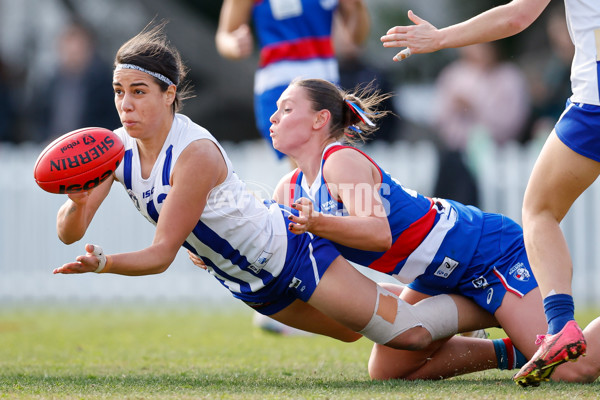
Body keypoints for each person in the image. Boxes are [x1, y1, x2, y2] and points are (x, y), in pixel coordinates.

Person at [52, 23, 492, 356]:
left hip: (289, 250)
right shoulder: (111, 149)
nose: (125, 103)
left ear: (169, 95)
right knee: (350, 329)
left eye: (138, 91)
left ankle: (493, 310)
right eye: (118, 91)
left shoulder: (194, 153)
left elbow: (162, 253)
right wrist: (76, 202)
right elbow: (70, 233)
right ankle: (455, 305)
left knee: (407, 334)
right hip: (247, 280)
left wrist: (104, 263)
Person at [265, 78, 600, 383]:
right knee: (387, 370)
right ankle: (514, 351)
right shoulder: (289, 189)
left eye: (286, 108)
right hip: (438, 278)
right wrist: (216, 253)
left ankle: (515, 321)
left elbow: (377, 233)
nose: (273, 117)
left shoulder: (340, 162)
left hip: (489, 255)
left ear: (320, 120)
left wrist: (316, 223)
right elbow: (276, 249)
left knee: (573, 371)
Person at [380, 0, 600, 387]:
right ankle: (545, 334)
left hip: (594, 104)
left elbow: (517, 15)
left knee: (539, 210)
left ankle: (561, 324)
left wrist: (440, 37)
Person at [215, 0, 370, 160]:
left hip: (324, 87)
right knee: (306, 161)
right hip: (277, 86)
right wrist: (235, 45)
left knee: (325, 163)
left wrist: (357, 7)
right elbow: (224, 35)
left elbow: (357, 37)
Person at [432, 41, 530, 206]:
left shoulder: (509, 77)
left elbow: (513, 120)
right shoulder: (453, 75)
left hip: (500, 155)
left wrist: (475, 109)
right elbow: (438, 116)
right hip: (456, 156)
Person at [32, 21, 120, 143]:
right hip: (52, 147)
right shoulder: (50, 83)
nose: (72, 55)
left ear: (89, 49)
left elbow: (111, 121)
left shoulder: (105, 83)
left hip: (91, 150)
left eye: (77, 50)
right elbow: (38, 119)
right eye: (68, 49)